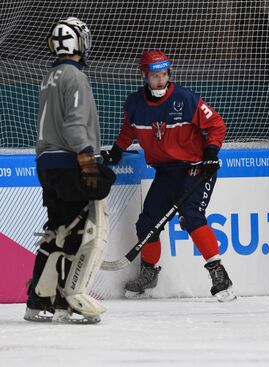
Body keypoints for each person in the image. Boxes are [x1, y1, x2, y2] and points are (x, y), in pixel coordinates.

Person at [101, 50, 235, 302]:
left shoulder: (185, 99)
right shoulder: (134, 104)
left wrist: (210, 153)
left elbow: (216, 125)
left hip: (195, 168)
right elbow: (129, 130)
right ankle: (149, 273)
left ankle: (219, 274)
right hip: (165, 172)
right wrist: (116, 152)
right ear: (145, 76)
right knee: (146, 224)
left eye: (163, 74)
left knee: (192, 216)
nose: (160, 80)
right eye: (154, 75)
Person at [25, 17, 115, 324]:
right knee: (78, 232)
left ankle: (39, 301)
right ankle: (71, 301)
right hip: (68, 162)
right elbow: (75, 125)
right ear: (81, 43)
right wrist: (88, 161)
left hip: (46, 164)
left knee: (56, 232)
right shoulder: (74, 77)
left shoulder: (50, 76)